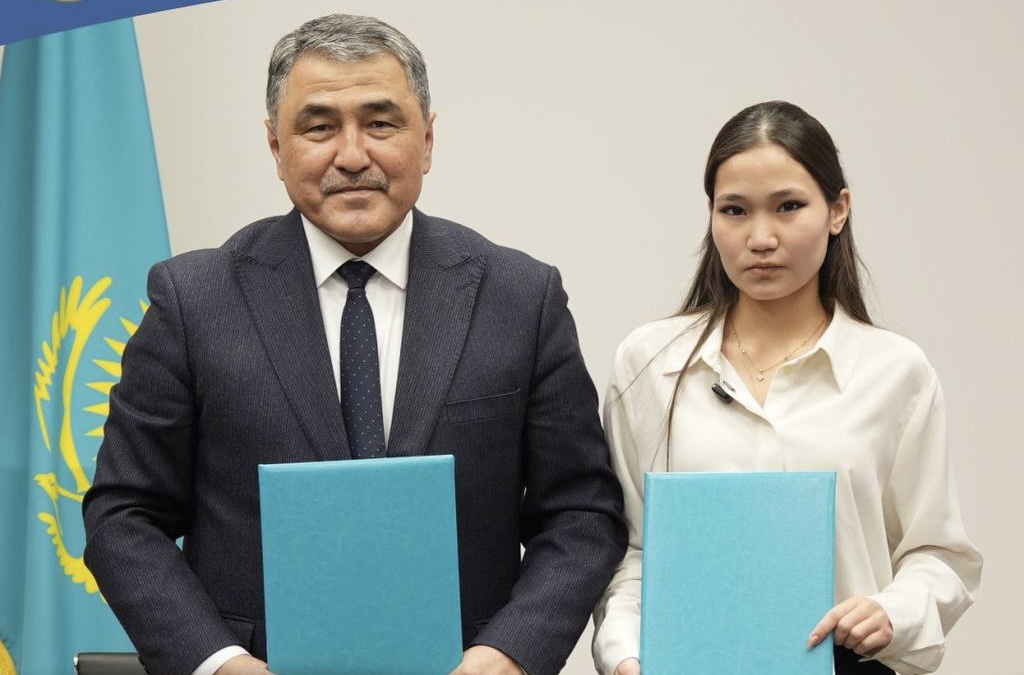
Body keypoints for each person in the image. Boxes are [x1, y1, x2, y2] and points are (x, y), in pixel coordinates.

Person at [83, 13, 626, 675]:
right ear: (276, 146)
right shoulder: (193, 301)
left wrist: (509, 652)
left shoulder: (520, 298)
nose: (351, 155)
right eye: (319, 127)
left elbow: (581, 512)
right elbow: (124, 514)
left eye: (381, 123)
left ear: (427, 139)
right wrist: (218, 662)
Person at [590, 100, 981, 675]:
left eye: (788, 206)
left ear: (838, 210)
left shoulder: (895, 371)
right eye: (734, 210)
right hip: (687, 663)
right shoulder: (650, 363)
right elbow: (631, 550)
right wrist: (624, 652)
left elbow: (939, 553)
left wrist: (891, 610)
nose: (760, 237)